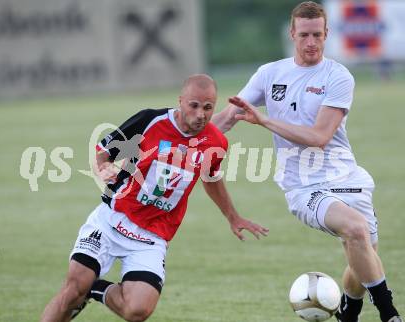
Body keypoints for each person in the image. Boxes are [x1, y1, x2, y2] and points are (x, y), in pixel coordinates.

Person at [211, 2, 402, 322]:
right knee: (356, 230)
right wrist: (183, 135)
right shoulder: (270, 74)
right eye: (304, 35)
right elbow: (227, 117)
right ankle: (390, 314)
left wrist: (265, 121)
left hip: (348, 176)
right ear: (292, 34)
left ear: (327, 34)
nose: (310, 42)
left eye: (317, 35)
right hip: (304, 185)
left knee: (363, 252)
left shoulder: (338, 76)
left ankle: (350, 312)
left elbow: (319, 136)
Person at [40, 74, 269, 322]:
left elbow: (211, 178)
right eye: (193, 105)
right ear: (180, 101)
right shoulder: (150, 120)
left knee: (137, 311)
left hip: (152, 236)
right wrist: (104, 168)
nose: (200, 114)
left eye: (207, 107)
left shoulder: (215, 141)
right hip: (111, 219)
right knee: (72, 291)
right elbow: (102, 153)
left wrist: (232, 217)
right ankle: (82, 291)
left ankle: (94, 289)